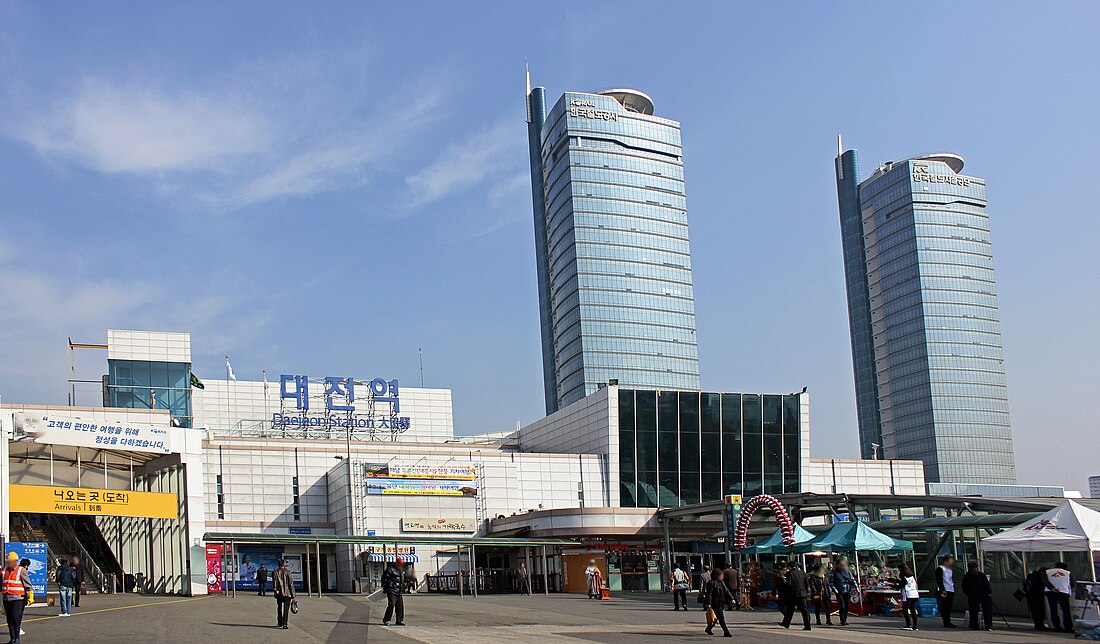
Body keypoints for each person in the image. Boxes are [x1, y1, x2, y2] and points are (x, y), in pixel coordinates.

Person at [3, 552, 31, 644]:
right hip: (7, 598)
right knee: (9, 619)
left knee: (16, 617)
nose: (10, 563)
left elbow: (28, 585)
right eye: (8, 561)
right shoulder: (4, 571)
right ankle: (12, 639)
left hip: (18, 598)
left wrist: (30, 596)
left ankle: (17, 639)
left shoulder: (21, 570)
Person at [961, 561, 993, 632]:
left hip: (972, 595)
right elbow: (987, 585)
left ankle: (973, 625)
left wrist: (968, 593)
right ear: (977, 567)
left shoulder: (966, 576)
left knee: (973, 610)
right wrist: (989, 592)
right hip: (983, 594)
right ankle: (988, 626)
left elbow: (964, 587)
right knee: (987, 610)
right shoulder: (981, 575)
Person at [780, 561, 812, 631]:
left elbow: (789, 584)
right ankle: (807, 625)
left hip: (793, 594)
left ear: (789, 567)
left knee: (790, 610)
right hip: (803, 594)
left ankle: (786, 623)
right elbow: (807, 584)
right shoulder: (803, 573)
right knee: (804, 610)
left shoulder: (789, 573)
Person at [702, 568, 733, 637]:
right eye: (721, 575)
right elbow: (709, 594)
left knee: (717, 617)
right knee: (721, 617)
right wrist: (709, 603)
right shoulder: (711, 583)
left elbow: (726, 591)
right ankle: (726, 632)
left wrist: (732, 599)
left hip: (721, 602)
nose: (722, 577)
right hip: (715, 603)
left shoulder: (721, 583)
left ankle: (708, 628)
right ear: (717, 575)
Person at [1045, 562, 1074, 633]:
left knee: (1053, 610)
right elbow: (1072, 583)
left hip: (1051, 592)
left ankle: (1057, 627)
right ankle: (1068, 627)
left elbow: (1045, 581)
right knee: (1066, 611)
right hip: (1064, 592)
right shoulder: (1068, 572)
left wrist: (1052, 588)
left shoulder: (1047, 572)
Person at [829, 558, 857, 626]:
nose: (842, 566)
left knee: (846, 605)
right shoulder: (834, 572)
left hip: (847, 590)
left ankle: (845, 618)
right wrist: (834, 589)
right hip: (839, 591)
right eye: (841, 565)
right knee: (842, 605)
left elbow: (853, 580)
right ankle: (842, 620)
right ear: (838, 565)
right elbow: (831, 582)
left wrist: (856, 587)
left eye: (843, 565)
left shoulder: (848, 572)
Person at [381, 557, 406, 626]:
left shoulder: (400, 570)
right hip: (391, 590)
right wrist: (385, 587)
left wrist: (403, 586)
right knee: (391, 605)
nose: (401, 565)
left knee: (400, 606)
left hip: (399, 590)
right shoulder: (390, 569)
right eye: (400, 564)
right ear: (397, 563)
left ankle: (399, 620)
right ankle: (386, 619)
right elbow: (384, 578)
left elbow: (401, 580)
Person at [935, 555, 958, 628]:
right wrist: (942, 590)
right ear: (945, 561)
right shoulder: (940, 569)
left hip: (951, 589)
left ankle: (948, 620)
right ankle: (946, 621)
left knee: (949, 606)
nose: (951, 562)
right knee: (945, 606)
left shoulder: (950, 569)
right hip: (944, 590)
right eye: (950, 561)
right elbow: (939, 580)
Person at [272, 558, 295, 630]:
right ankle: (285, 624)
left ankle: (279, 622)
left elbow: (275, 582)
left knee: (279, 607)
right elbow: (291, 584)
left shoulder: (275, 572)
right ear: (284, 564)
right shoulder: (288, 572)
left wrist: (276, 590)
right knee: (286, 609)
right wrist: (293, 595)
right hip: (287, 593)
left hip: (279, 593)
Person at [897, 563, 920, 631]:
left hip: (908, 595)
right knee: (913, 610)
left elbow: (901, 585)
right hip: (915, 594)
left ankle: (908, 624)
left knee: (905, 610)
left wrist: (892, 585)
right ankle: (915, 626)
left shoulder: (904, 577)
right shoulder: (912, 576)